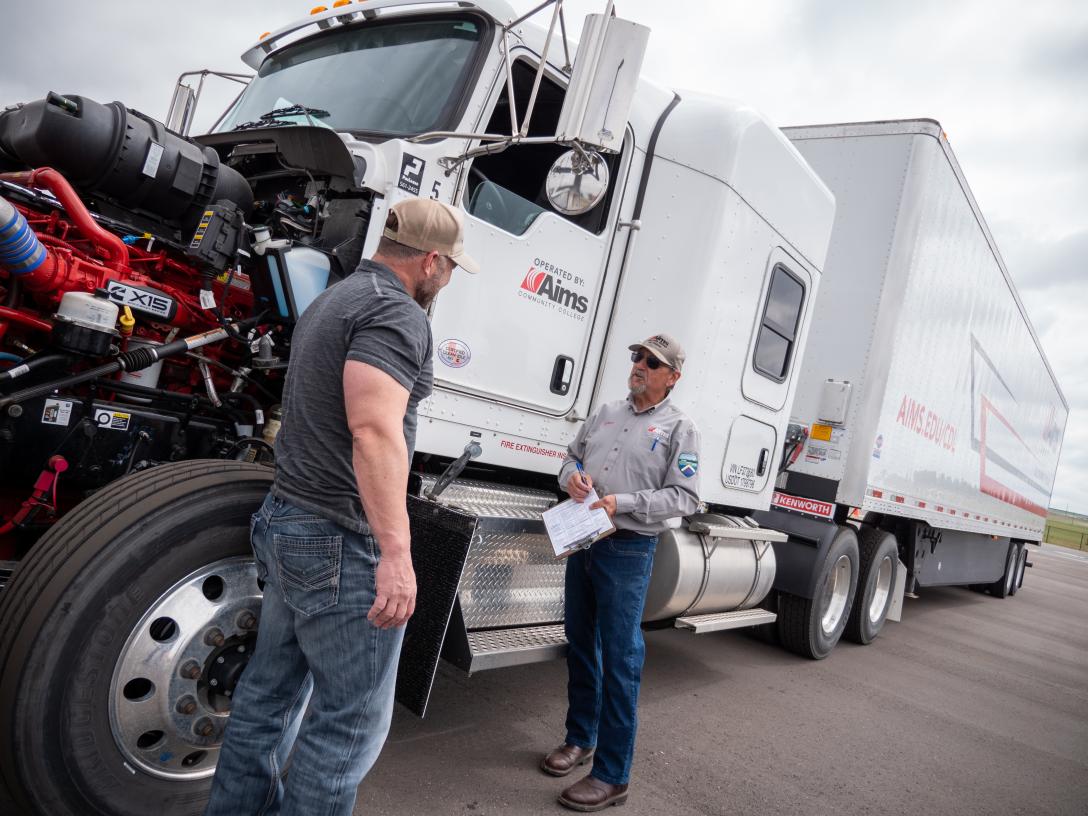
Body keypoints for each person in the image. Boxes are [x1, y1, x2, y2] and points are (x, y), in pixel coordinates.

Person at [204, 198, 479, 816]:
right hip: (341, 537)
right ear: (431, 261)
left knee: (266, 699)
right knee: (347, 726)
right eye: (453, 267)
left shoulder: (334, 298)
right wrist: (398, 554)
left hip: (291, 518)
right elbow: (375, 431)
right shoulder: (396, 313)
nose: (450, 279)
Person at [543, 333, 701, 812]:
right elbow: (570, 456)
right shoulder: (606, 411)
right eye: (637, 357)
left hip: (629, 550)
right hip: (584, 542)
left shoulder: (680, 428)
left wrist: (624, 503)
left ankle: (613, 775)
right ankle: (580, 738)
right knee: (580, 643)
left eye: (653, 362)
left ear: (672, 377)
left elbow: (686, 497)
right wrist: (571, 475)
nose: (640, 365)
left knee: (620, 658)